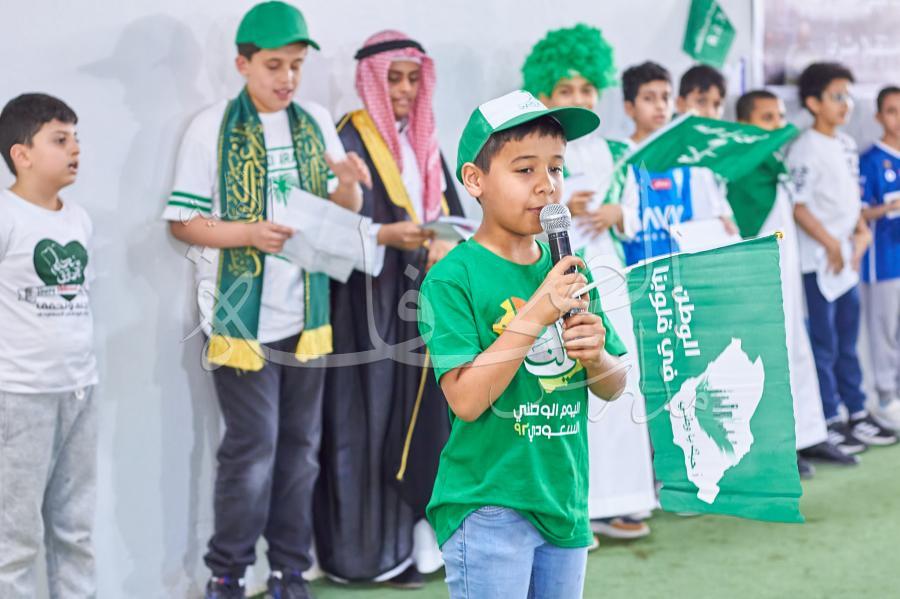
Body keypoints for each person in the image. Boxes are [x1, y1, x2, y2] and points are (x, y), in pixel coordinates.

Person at [161, 3, 371, 598]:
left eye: (296, 65)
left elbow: (340, 212)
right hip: (239, 320)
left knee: (301, 451)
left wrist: (349, 184)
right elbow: (182, 222)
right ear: (243, 64)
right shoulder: (211, 128)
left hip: (307, 315)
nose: (287, 78)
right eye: (274, 65)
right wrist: (247, 234)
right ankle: (227, 572)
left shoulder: (315, 121)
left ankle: (288, 569)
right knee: (252, 450)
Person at [417, 89, 628, 599]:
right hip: (489, 503)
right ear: (475, 180)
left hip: (564, 499)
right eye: (525, 169)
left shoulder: (568, 269)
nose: (546, 185)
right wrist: (538, 311)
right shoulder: (452, 278)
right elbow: (466, 400)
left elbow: (614, 384)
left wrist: (596, 356)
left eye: (556, 168)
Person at [314, 30, 464, 588]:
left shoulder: (425, 143)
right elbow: (328, 228)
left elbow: (448, 214)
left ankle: (418, 548)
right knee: (368, 423)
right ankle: (366, 557)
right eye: (394, 79)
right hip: (365, 309)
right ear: (371, 80)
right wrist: (385, 236)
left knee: (422, 423)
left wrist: (443, 243)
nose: (404, 90)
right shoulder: (348, 139)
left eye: (412, 79)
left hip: (420, 303)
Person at [521, 24, 655, 543]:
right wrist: (563, 207)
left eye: (586, 88)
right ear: (544, 92)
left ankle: (623, 498)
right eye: (565, 89)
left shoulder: (614, 149)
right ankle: (580, 504)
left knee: (618, 379)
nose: (578, 97)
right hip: (558, 280)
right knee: (572, 388)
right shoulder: (533, 152)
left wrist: (620, 213)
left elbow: (639, 210)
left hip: (611, 275)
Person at [0, 93, 98, 598]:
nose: (75, 149)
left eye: (75, 138)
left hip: (79, 390)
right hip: (20, 396)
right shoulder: (7, 216)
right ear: (22, 154)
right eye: (60, 140)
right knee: (14, 537)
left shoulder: (78, 219)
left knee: (75, 530)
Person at [728, 90, 854, 472]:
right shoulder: (740, 172)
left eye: (780, 117)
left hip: (788, 277)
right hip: (759, 279)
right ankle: (777, 445)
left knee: (797, 347)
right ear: (744, 125)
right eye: (766, 118)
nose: (778, 125)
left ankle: (809, 434)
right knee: (768, 353)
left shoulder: (776, 165)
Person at [786, 62, 896, 455]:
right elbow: (798, 206)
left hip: (847, 262)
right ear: (813, 102)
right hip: (818, 263)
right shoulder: (803, 148)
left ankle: (857, 412)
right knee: (825, 343)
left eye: (848, 95)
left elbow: (853, 202)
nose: (845, 103)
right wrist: (831, 244)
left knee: (849, 342)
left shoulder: (846, 144)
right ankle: (829, 418)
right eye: (836, 96)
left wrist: (860, 234)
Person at [615, 62, 735, 266]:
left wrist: (720, 224)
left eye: (666, 97)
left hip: (682, 274)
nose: (660, 105)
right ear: (629, 107)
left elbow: (710, 219)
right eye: (649, 98)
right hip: (635, 274)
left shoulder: (688, 160)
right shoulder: (619, 157)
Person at [858, 85, 900, 431]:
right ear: (878, 116)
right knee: (884, 329)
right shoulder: (871, 160)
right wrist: (888, 208)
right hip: (884, 260)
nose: (898, 118)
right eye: (892, 111)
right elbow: (858, 212)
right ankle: (886, 396)